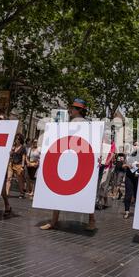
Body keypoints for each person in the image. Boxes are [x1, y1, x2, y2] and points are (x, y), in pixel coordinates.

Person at [40, 98, 97, 231]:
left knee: (84, 193)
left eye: (73, 108)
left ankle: (91, 219)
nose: (70, 110)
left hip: (79, 161)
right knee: (59, 191)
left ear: (79, 110)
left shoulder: (86, 125)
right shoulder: (68, 123)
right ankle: (54, 220)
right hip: (67, 159)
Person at [122, 144, 139, 219]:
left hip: (138, 177)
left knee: (137, 195)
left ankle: (138, 212)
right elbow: (123, 165)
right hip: (129, 176)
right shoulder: (128, 156)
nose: (136, 147)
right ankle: (127, 211)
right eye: (134, 146)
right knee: (128, 195)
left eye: (137, 146)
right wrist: (127, 165)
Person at [7, 133, 26, 199]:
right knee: (9, 178)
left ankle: (22, 193)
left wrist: (22, 166)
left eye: (18, 139)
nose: (16, 140)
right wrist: (11, 152)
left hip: (18, 165)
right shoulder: (13, 146)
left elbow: (23, 157)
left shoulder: (23, 148)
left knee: (19, 180)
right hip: (11, 164)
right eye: (16, 138)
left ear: (20, 140)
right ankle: (7, 193)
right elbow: (11, 155)